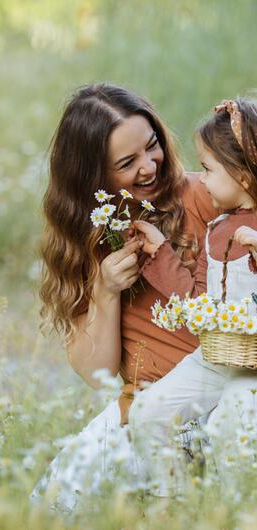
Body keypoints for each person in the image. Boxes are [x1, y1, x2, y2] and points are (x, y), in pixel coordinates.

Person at [33, 83, 217, 511]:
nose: (149, 167)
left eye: (152, 147)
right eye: (126, 163)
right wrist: (105, 291)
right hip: (146, 409)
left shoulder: (205, 196)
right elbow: (95, 370)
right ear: (92, 177)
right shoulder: (88, 240)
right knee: (52, 503)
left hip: (219, 392)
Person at [129, 98, 257, 496]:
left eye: (208, 169)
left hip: (252, 367)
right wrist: (160, 252)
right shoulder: (218, 228)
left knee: (228, 429)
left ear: (243, 176)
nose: (200, 180)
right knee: (148, 413)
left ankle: (239, 513)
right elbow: (195, 298)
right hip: (216, 357)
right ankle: (178, 504)